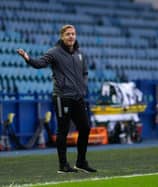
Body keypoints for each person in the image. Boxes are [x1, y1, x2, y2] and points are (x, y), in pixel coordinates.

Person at [17, 24, 97, 173]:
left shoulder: (80, 54)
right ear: (62, 36)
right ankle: (63, 165)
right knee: (63, 131)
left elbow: (85, 73)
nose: (71, 36)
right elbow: (40, 63)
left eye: (73, 34)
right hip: (62, 97)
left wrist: (83, 87)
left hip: (78, 97)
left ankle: (81, 162)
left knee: (85, 128)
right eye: (68, 34)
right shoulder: (54, 52)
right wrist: (28, 59)